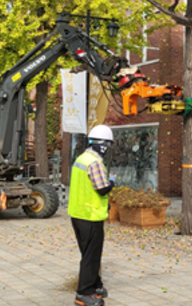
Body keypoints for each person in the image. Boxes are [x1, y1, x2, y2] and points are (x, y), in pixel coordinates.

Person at [68, 125, 117, 306]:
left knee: (88, 253)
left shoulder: (81, 158)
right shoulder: (95, 162)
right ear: (103, 144)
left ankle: (95, 285)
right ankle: (84, 293)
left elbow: (86, 189)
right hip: (91, 216)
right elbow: (102, 188)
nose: (108, 149)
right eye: (108, 145)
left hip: (78, 214)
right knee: (91, 255)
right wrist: (112, 181)